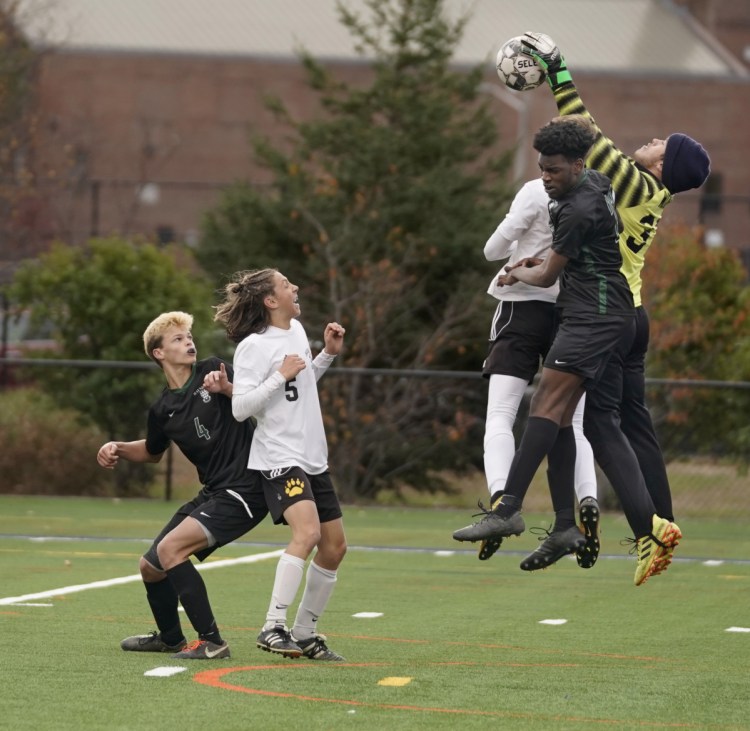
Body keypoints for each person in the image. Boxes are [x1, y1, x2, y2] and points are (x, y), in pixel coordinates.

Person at [452, 119, 681, 586]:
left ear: (577, 165)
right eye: (541, 168)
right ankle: (596, 526)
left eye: (553, 169)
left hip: (593, 316)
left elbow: (549, 276)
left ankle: (509, 509)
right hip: (605, 312)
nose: (545, 176)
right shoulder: (592, 183)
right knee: (587, 423)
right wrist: (539, 262)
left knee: (545, 405)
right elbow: (563, 258)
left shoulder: (578, 206)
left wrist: (517, 274)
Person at [519, 32, 711, 532]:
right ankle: (663, 519)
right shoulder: (651, 192)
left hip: (608, 311)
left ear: (664, 165)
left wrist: (557, 68)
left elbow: (584, 129)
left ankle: (649, 528)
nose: (648, 141)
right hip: (633, 314)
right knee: (635, 423)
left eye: (659, 144)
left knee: (601, 422)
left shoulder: (635, 182)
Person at [97, 311, 268, 660]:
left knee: (170, 550)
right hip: (215, 491)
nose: (188, 342)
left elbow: (257, 399)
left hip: (247, 487)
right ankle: (170, 638)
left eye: (188, 336)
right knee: (150, 565)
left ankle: (212, 642)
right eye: (178, 338)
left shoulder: (214, 370)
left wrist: (227, 389)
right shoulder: (162, 409)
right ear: (158, 353)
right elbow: (152, 452)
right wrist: (117, 448)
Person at [454, 176, 601, 570]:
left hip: (521, 306)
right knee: (572, 421)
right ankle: (587, 498)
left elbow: (492, 250)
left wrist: (519, 239)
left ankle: (503, 503)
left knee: (500, 415)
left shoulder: (537, 189)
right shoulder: (599, 191)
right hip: (571, 311)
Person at [214, 268, 348, 661]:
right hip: (278, 456)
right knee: (306, 535)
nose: (296, 288)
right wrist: (278, 374)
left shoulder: (296, 333)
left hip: (312, 456)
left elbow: (298, 386)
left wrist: (326, 355)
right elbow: (241, 408)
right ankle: (272, 625)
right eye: (288, 285)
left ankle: (305, 632)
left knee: (335, 547)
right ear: (270, 301)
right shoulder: (253, 347)